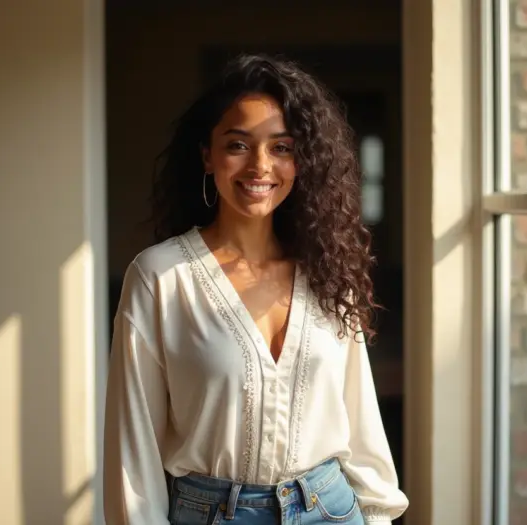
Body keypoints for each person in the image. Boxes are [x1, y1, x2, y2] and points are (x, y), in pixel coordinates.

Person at [103, 54, 409, 525]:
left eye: (281, 147)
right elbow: (133, 449)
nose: (260, 165)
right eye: (238, 145)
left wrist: (379, 517)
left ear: (302, 160)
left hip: (331, 509)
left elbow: (360, 415)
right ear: (208, 155)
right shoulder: (161, 277)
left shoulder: (327, 268)